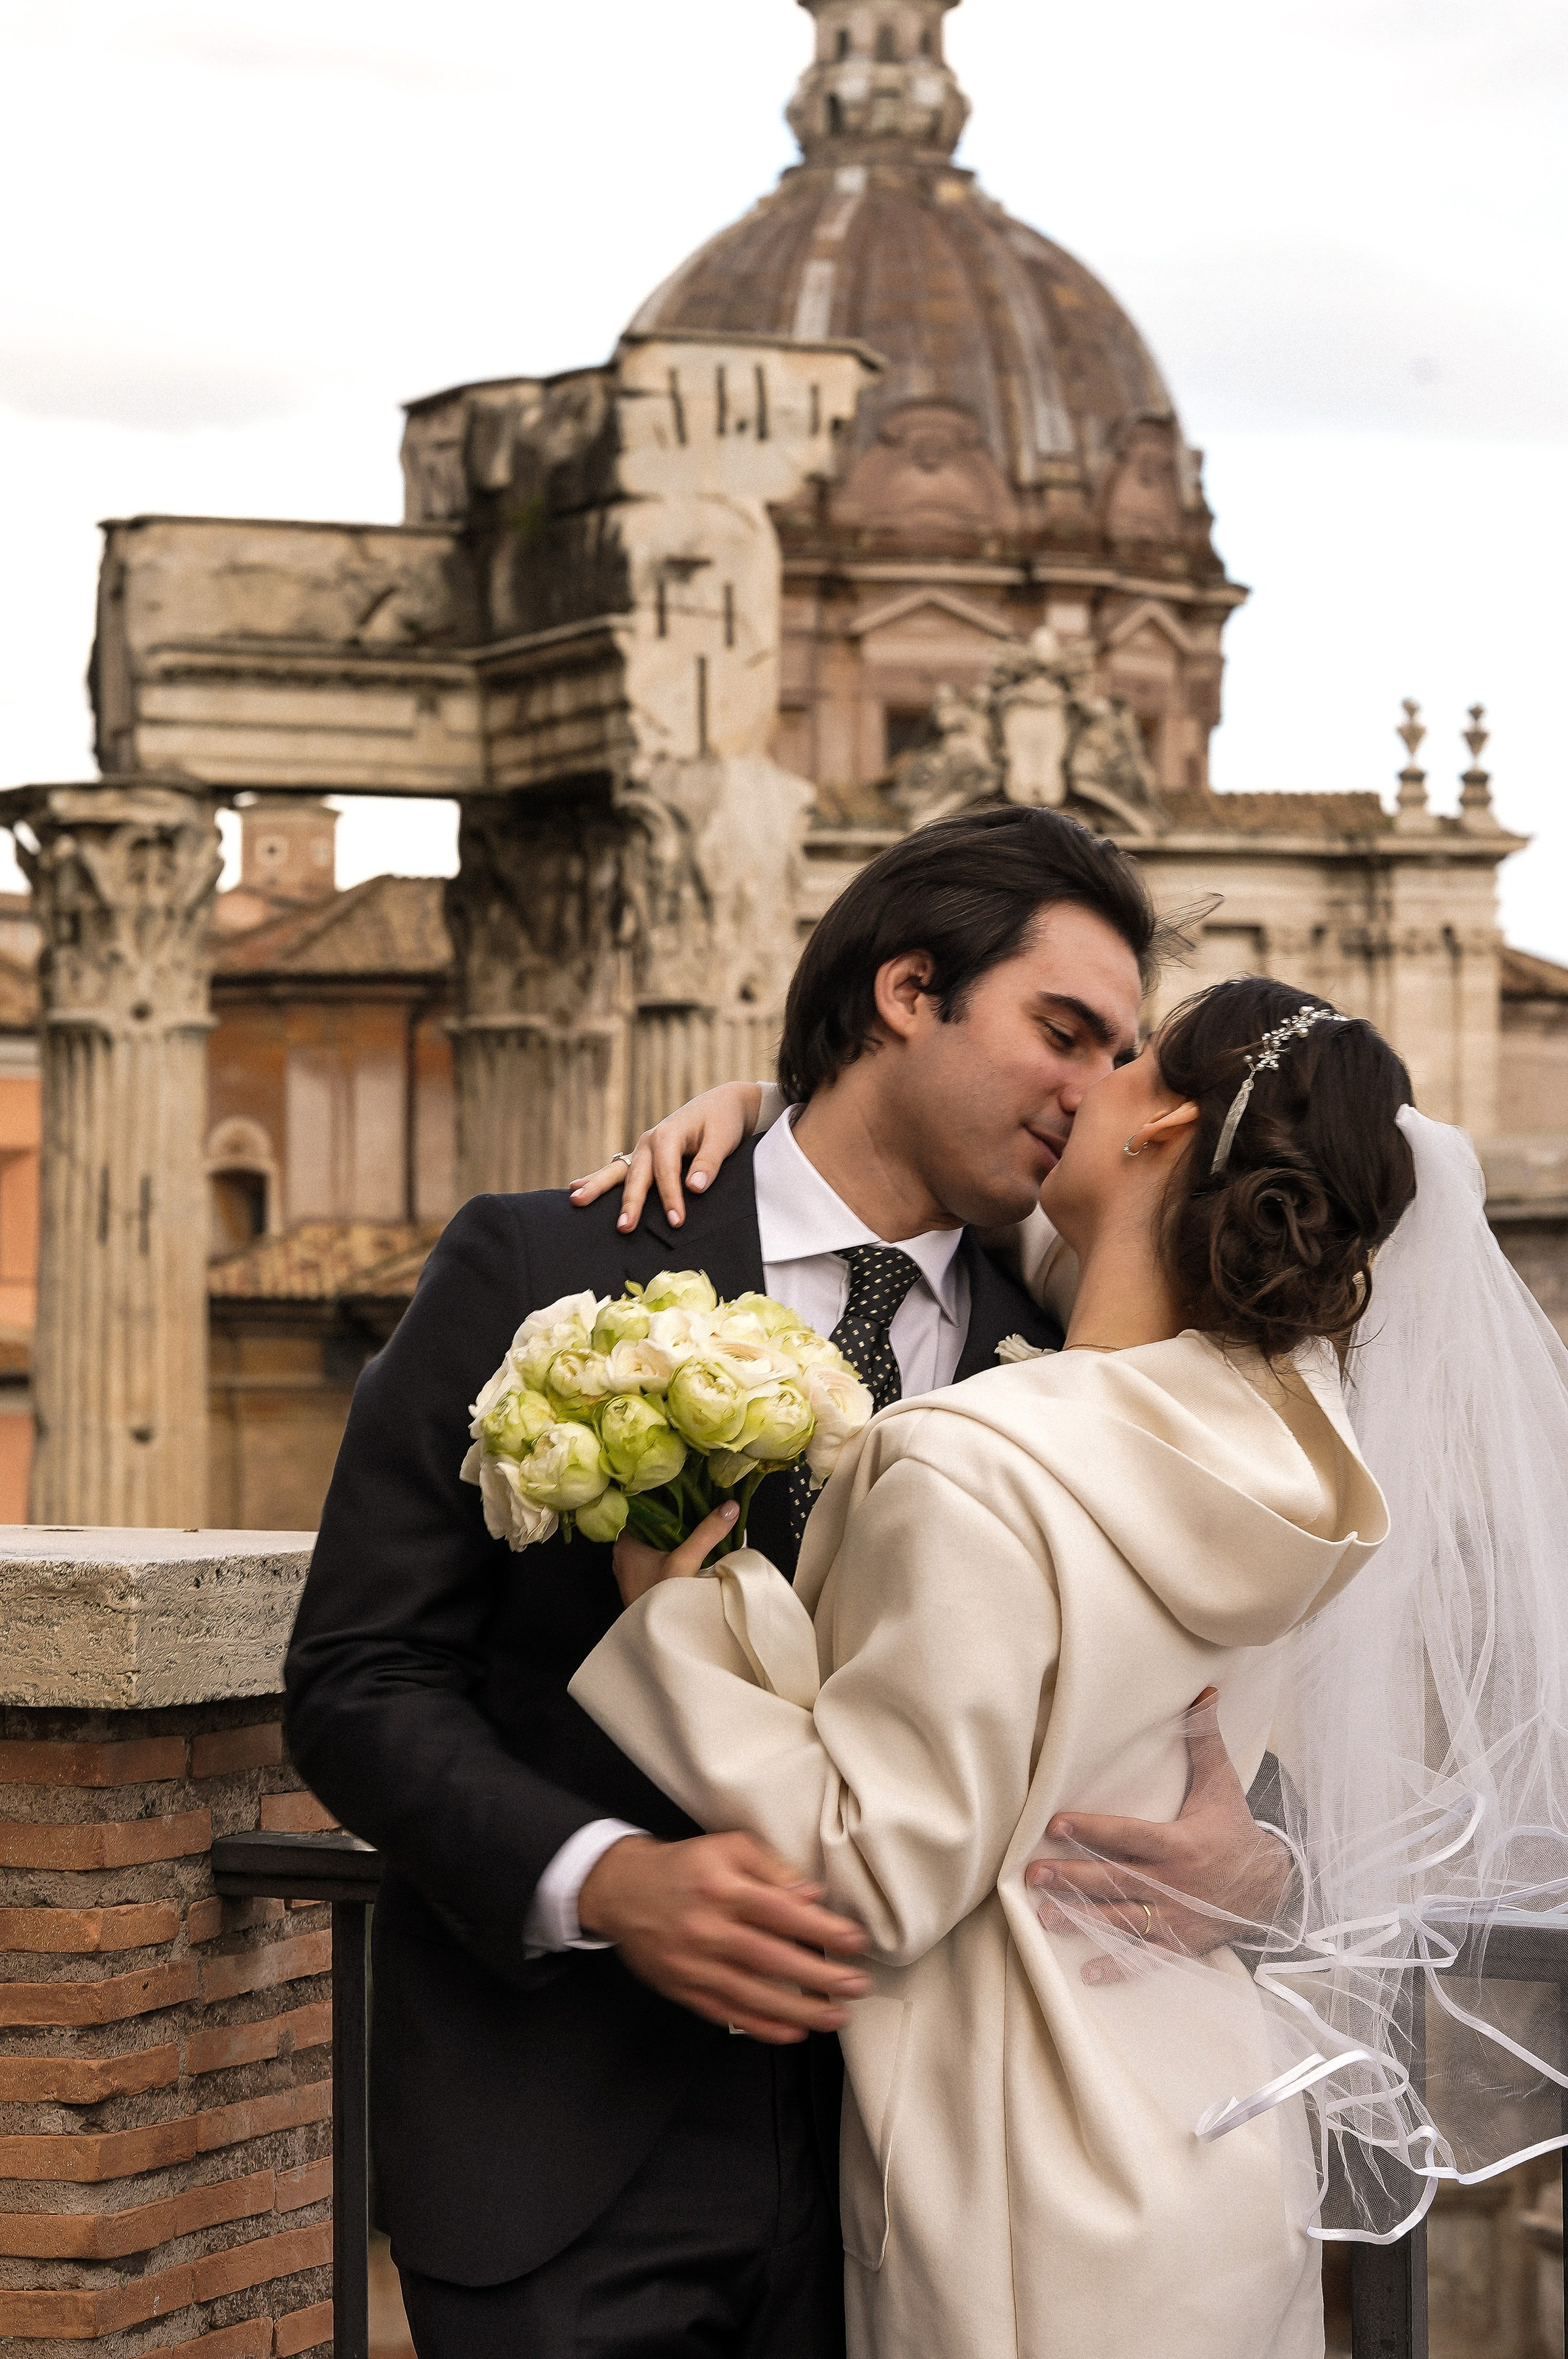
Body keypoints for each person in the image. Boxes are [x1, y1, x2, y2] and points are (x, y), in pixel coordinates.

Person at [282, 806, 1291, 2359]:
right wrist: (600, 1879)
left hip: (941, 2188)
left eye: (1122, 1057)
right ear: (906, 991)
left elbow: (1235, 1700)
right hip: (566, 2153)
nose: (1096, 1096)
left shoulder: (1085, 1355)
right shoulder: (548, 1265)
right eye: (1062, 1031)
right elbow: (360, 1680)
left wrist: (1267, 1863)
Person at [571, 978, 1412, 2359]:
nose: (1078, 1087)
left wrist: (677, 1628)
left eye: (1124, 1061)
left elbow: (872, 1874)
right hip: (1220, 2133)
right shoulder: (1294, 1455)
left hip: (1024, 2178)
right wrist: (780, 1117)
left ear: (1166, 1128)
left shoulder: (975, 1462)